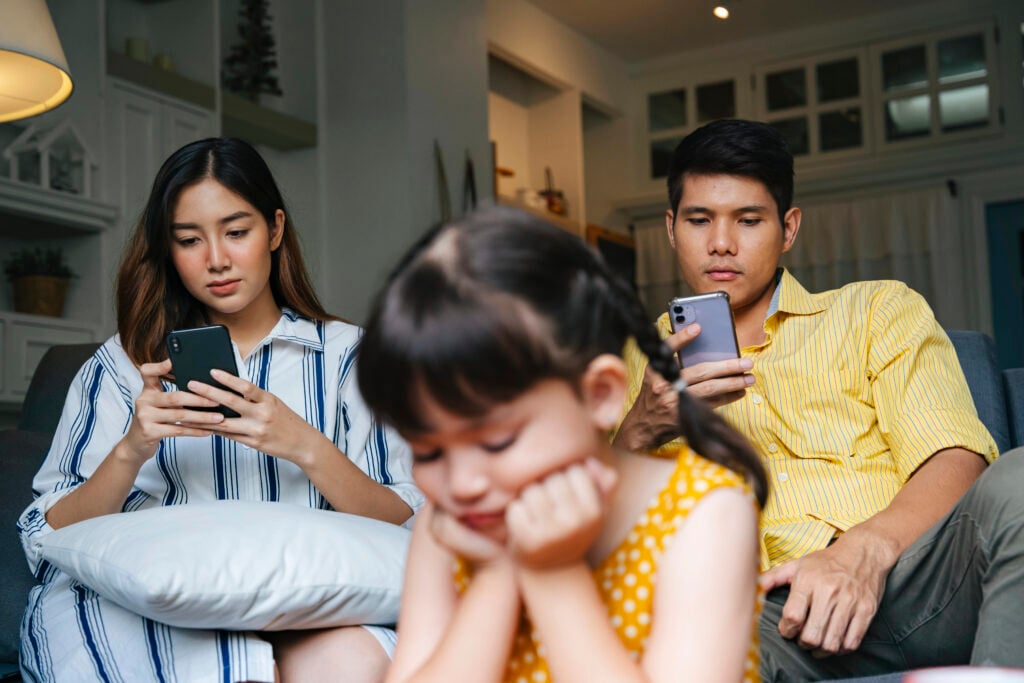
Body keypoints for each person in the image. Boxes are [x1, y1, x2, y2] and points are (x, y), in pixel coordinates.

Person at [614, 118, 1023, 681]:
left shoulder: (876, 310)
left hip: (917, 575)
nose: (721, 243)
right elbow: (591, 530)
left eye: (748, 220)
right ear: (670, 227)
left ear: (788, 228)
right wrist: (639, 428)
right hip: (763, 616)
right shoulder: (641, 360)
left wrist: (861, 552)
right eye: (699, 220)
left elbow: (956, 458)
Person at [17, 137, 423, 683]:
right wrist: (131, 450)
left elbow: (407, 522)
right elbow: (46, 537)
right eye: (189, 240)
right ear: (169, 249)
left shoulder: (352, 357)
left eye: (236, 232)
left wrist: (305, 445)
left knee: (351, 661)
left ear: (274, 230)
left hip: (313, 598)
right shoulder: (121, 365)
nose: (216, 260)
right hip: (145, 604)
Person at [356, 206, 768, 683]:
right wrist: (495, 576)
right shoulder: (449, 524)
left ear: (600, 395)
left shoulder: (705, 513)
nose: (462, 483)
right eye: (428, 452)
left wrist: (553, 574)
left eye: (497, 442)